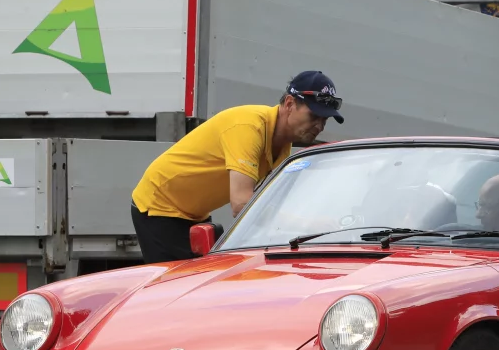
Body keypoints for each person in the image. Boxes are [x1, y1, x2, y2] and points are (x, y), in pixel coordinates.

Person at [129, 70, 345, 262]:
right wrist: (309, 224)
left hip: (194, 213)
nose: (319, 125)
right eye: (314, 115)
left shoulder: (282, 146)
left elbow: (271, 207)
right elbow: (242, 205)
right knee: (179, 286)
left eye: (325, 119)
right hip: (160, 206)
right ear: (289, 104)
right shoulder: (249, 128)